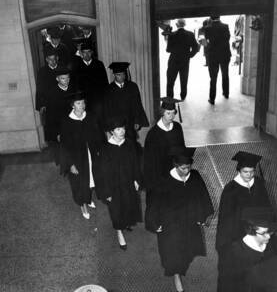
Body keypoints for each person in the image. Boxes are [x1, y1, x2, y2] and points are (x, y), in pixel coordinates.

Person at [146, 146, 214, 292]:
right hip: (170, 223)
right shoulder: (163, 181)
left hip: (189, 221)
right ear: (175, 165)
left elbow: (203, 196)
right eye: (182, 168)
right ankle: (176, 274)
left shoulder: (194, 176)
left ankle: (182, 266)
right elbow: (153, 203)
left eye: (188, 167)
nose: (186, 171)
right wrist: (154, 222)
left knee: (188, 248)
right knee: (173, 251)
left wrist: (202, 216)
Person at [60, 92, 105, 220]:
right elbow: (64, 146)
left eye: (83, 102)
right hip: (77, 159)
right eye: (78, 103)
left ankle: (88, 198)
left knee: (91, 178)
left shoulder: (90, 117)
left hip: (91, 155)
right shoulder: (67, 122)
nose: (82, 105)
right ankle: (83, 205)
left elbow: (99, 136)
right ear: (72, 105)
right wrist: (70, 164)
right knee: (79, 182)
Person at [216, 151, 272, 254]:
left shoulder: (259, 183)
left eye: (252, 171)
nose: (249, 175)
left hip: (259, 227)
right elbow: (226, 216)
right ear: (239, 171)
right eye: (245, 172)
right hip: (239, 229)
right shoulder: (230, 189)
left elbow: (266, 204)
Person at [99, 116, 142, 250]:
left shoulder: (129, 144)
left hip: (128, 182)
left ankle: (126, 222)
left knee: (128, 204)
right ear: (112, 132)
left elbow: (135, 163)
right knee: (116, 209)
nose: (122, 131)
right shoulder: (106, 149)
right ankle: (119, 232)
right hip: (113, 186)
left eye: (123, 128)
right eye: (118, 129)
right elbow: (103, 173)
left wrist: (136, 179)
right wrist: (107, 192)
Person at [217, 207, 277, 292]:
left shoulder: (272, 246)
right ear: (250, 231)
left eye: (270, 231)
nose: (268, 236)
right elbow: (226, 286)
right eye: (264, 233)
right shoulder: (232, 253)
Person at [143, 97, 185, 200]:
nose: (171, 116)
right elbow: (149, 161)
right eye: (168, 113)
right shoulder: (153, 134)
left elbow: (182, 148)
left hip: (175, 169)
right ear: (162, 113)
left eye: (173, 113)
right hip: (159, 172)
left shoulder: (177, 128)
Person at [102, 62, 149, 144]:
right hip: (117, 125)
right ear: (114, 75)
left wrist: (137, 121)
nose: (121, 77)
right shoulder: (109, 89)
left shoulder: (132, 87)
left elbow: (138, 105)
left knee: (132, 144)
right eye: (118, 75)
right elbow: (107, 109)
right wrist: (110, 126)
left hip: (131, 123)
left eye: (123, 74)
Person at [74, 40, 109, 120]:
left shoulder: (99, 64)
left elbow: (105, 83)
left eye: (89, 52)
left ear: (92, 52)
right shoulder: (77, 66)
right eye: (84, 52)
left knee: (98, 120)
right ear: (81, 53)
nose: (87, 54)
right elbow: (75, 85)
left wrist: (104, 99)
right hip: (83, 100)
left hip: (97, 99)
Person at [165, 18, 199, 100]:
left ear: (176, 25)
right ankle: (183, 96)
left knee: (170, 81)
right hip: (185, 60)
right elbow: (196, 47)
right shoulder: (190, 34)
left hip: (173, 60)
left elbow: (168, 50)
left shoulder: (172, 34)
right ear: (184, 24)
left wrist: (167, 41)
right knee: (184, 79)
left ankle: (170, 97)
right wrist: (190, 55)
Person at [204, 15, 231, 104]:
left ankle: (212, 99)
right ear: (219, 17)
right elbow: (228, 38)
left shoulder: (207, 28)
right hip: (224, 54)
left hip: (213, 56)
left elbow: (206, 42)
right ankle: (226, 93)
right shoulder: (225, 26)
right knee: (225, 74)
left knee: (213, 78)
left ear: (211, 18)